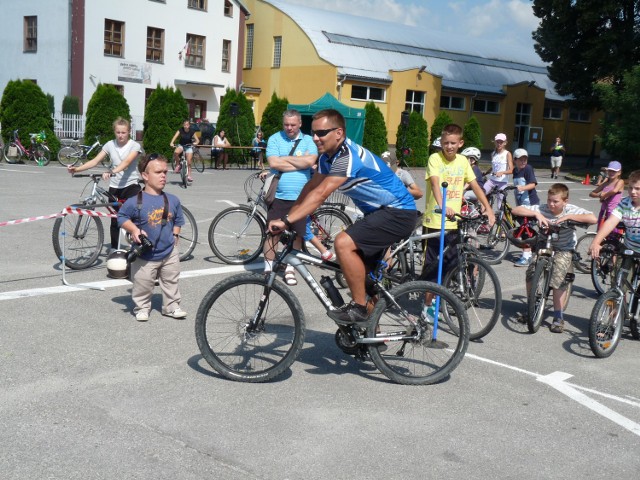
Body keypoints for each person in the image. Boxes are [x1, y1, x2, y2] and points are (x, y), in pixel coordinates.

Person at [268, 109, 418, 325]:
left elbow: (321, 194)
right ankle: (370, 332)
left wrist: (286, 221)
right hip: (379, 214)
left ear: (338, 133)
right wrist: (289, 214)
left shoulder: (348, 156)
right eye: (313, 133)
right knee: (362, 277)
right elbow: (311, 186)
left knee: (343, 243)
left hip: (398, 212)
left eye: (321, 133)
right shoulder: (327, 158)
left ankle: (358, 308)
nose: (315, 138)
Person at [421, 124, 495, 320]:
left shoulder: (463, 161)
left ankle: (439, 297)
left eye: (453, 143)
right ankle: (427, 305)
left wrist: (487, 208)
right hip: (436, 220)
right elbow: (436, 185)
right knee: (433, 267)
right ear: (441, 142)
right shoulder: (435, 159)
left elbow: (475, 186)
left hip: (454, 222)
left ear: (460, 143)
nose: (449, 146)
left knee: (449, 264)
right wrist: (443, 205)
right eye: (446, 143)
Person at [512, 184, 597, 333]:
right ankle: (532, 305)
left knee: (558, 278)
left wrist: (568, 217)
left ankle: (558, 315)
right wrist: (537, 215)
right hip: (544, 245)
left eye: (556, 201)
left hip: (563, 248)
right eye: (550, 200)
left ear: (565, 201)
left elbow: (592, 218)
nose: (551, 204)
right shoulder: (543, 208)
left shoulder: (570, 209)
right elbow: (516, 210)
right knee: (531, 272)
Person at [117, 153, 187, 322]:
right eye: (158, 172)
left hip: (169, 250)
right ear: (145, 176)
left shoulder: (173, 200)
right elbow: (121, 218)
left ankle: (171, 306)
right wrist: (134, 229)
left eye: (165, 172)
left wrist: (175, 234)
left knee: (171, 280)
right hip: (145, 254)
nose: (163, 175)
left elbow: (178, 219)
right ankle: (142, 307)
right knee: (143, 282)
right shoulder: (134, 201)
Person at [67, 117, 141, 253]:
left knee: (134, 218)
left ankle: (139, 244)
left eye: (123, 132)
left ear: (129, 132)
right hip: (115, 187)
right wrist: (76, 169)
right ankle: (114, 250)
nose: (120, 135)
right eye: (118, 132)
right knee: (114, 220)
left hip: (131, 186)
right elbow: (95, 161)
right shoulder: (109, 145)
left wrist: (111, 171)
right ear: (114, 132)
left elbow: (126, 163)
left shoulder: (134, 146)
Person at [263, 109, 318, 285]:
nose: (289, 128)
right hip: (278, 195)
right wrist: (299, 163)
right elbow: (273, 163)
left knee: (297, 236)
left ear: (300, 124)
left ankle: (290, 269)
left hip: (302, 198)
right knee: (273, 234)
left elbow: (310, 162)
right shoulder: (274, 138)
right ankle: (268, 268)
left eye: (293, 125)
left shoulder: (309, 140)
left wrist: (285, 160)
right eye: (286, 124)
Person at [589, 169, 640, 278]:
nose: (633, 192)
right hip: (629, 248)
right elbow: (611, 221)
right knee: (618, 281)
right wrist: (596, 242)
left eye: (637, 189)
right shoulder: (625, 203)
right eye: (630, 188)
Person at [511, 148, 540, 267]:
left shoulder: (528, 168)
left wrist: (523, 188)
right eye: (520, 159)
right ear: (515, 160)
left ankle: (527, 257)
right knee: (526, 227)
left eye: (525, 159)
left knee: (525, 228)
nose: (523, 161)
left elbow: (533, 184)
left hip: (530, 204)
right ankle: (533, 249)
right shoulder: (515, 171)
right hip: (521, 204)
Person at [589, 160, 624, 228]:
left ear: (619, 172)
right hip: (603, 210)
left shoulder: (620, 182)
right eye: (610, 170)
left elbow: (614, 191)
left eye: (614, 171)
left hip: (613, 211)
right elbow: (591, 193)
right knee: (600, 229)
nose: (611, 173)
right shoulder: (605, 183)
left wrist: (603, 196)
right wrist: (599, 195)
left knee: (610, 231)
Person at [483, 133, 513, 205]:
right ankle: (485, 213)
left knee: (500, 205)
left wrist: (502, 172)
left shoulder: (507, 154)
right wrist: (485, 173)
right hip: (492, 180)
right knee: (481, 194)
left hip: (502, 182)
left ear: (505, 143)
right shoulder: (493, 154)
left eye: (501, 142)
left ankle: (504, 215)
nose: (499, 144)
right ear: (495, 142)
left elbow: (511, 170)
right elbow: (493, 167)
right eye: (497, 142)